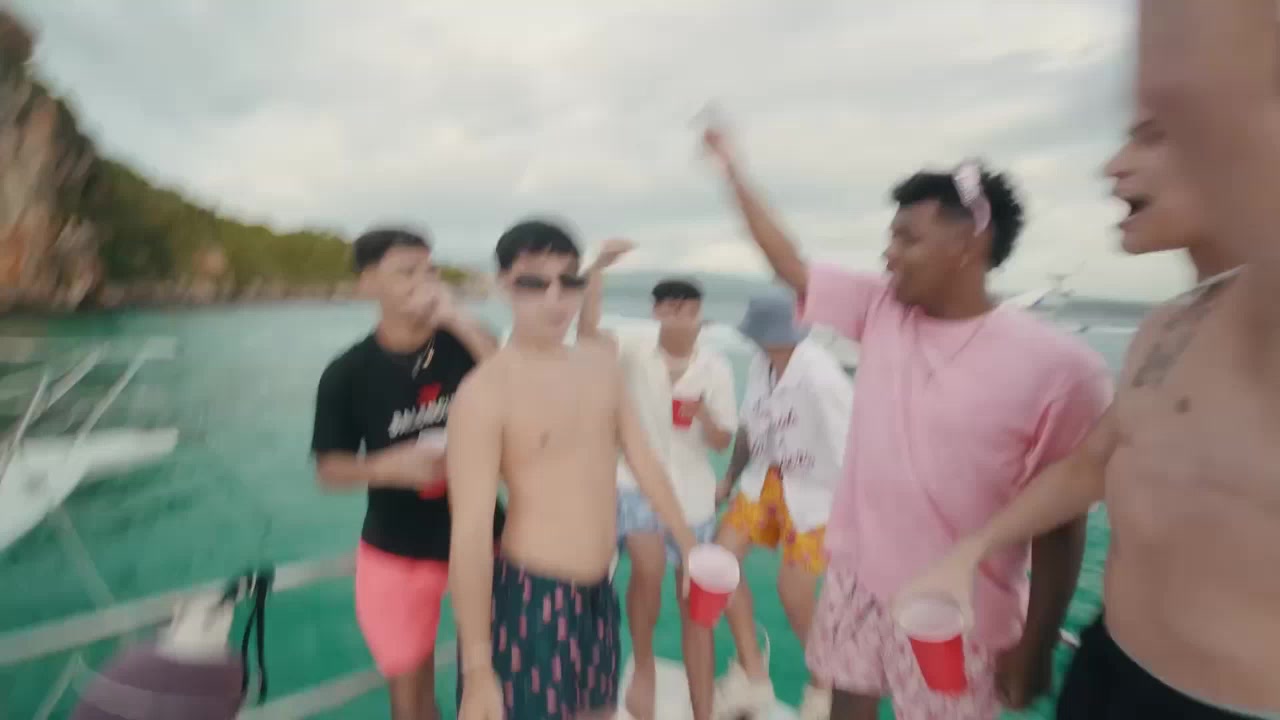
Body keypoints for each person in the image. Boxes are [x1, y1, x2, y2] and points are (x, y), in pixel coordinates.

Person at [901, 3, 1280, 717]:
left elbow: (1207, 76)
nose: (1113, 166)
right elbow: (1088, 467)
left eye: (1153, 135)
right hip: (1108, 666)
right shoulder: (1168, 327)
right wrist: (969, 552)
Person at [702, 127, 1113, 720]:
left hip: (957, 608)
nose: (889, 254)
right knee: (847, 704)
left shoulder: (1061, 369)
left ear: (969, 243)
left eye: (907, 238)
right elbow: (789, 263)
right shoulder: (882, 309)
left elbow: (1061, 518)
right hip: (857, 580)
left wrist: (1038, 644)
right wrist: (732, 172)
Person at [447, 219, 700, 720]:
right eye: (534, 282)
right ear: (503, 285)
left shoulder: (599, 367)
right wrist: (477, 668)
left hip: (598, 594)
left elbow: (644, 461)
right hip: (531, 597)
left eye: (569, 280)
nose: (555, 298)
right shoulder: (485, 393)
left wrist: (690, 548)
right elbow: (471, 534)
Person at [310, 228, 502, 720]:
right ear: (367, 284)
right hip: (397, 549)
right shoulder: (346, 373)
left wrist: (456, 317)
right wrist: (386, 467)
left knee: (500, 676)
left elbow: (514, 384)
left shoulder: (465, 343)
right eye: (406, 272)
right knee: (411, 701)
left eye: (430, 270)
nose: (424, 282)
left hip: (484, 538)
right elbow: (328, 469)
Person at [575, 241, 737, 720]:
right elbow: (587, 333)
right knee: (646, 567)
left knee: (695, 607)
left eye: (686, 307)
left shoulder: (716, 366)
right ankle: (643, 665)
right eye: (668, 306)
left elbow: (722, 440)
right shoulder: (633, 346)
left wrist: (702, 415)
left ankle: (703, 709)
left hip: (693, 497)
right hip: (635, 484)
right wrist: (597, 270)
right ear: (656, 311)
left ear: (699, 313)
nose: (677, 315)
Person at [711, 290, 853, 720]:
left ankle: (824, 688)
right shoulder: (762, 364)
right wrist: (729, 479)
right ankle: (752, 673)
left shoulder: (822, 378)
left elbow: (852, 448)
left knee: (793, 594)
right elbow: (748, 428)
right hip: (765, 481)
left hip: (818, 494)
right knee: (718, 566)